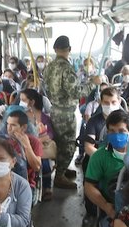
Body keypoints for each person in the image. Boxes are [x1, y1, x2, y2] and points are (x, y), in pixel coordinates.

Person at [43, 35, 100, 189]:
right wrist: (92, 84)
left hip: (54, 109)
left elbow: (46, 87)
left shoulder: (49, 67)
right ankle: (59, 176)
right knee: (68, 145)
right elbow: (76, 93)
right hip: (66, 113)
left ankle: (61, 168)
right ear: (69, 50)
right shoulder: (67, 69)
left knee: (59, 141)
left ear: (55, 49)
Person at [81, 86, 121, 227]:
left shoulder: (126, 120)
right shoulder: (94, 121)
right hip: (98, 156)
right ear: (100, 102)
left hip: (121, 157)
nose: (110, 106)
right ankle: (91, 211)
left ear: (119, 102)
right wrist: (102, 158)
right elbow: (88, 147)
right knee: (89, 169)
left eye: (113, 102)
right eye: (106, 102)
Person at [20, 88, 55, 200]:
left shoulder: (43, 117)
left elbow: (50, 134)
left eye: (23, 99)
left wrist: (37, 141)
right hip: (23, 144)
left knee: (44, 162)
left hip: (38, 145)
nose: (20, 102)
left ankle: (47, 187)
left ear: (32, 102)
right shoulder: (21, 115)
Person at [5, 110, 43, 189]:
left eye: (13, 125)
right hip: (3, 181)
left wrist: (27, 146)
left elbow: (36, 167)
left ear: (23, 127)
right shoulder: (4, 140)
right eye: (7, 124)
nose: (9, 128)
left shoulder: (33, 141)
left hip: (24, 184)